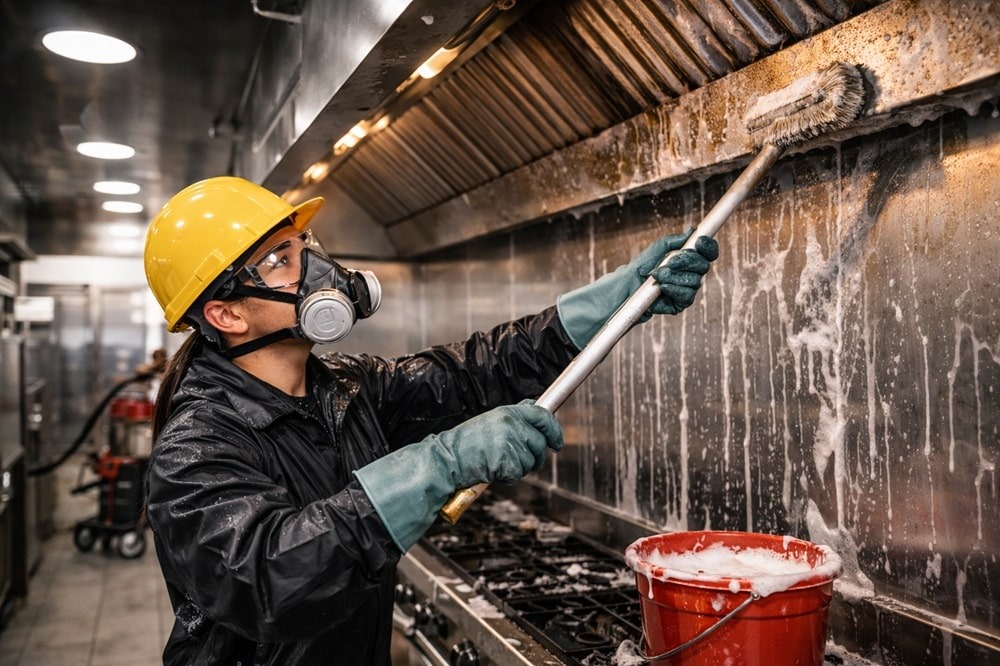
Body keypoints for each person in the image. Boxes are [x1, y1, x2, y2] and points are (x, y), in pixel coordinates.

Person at [142, 175, 718, 665]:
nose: (317, 269)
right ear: (225, 314)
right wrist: (441, 462)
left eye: (303, 245)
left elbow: (473, 372)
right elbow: (267, 580)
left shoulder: (342, 386)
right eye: (280, 262)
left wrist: (619, 299)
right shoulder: (196, 442)